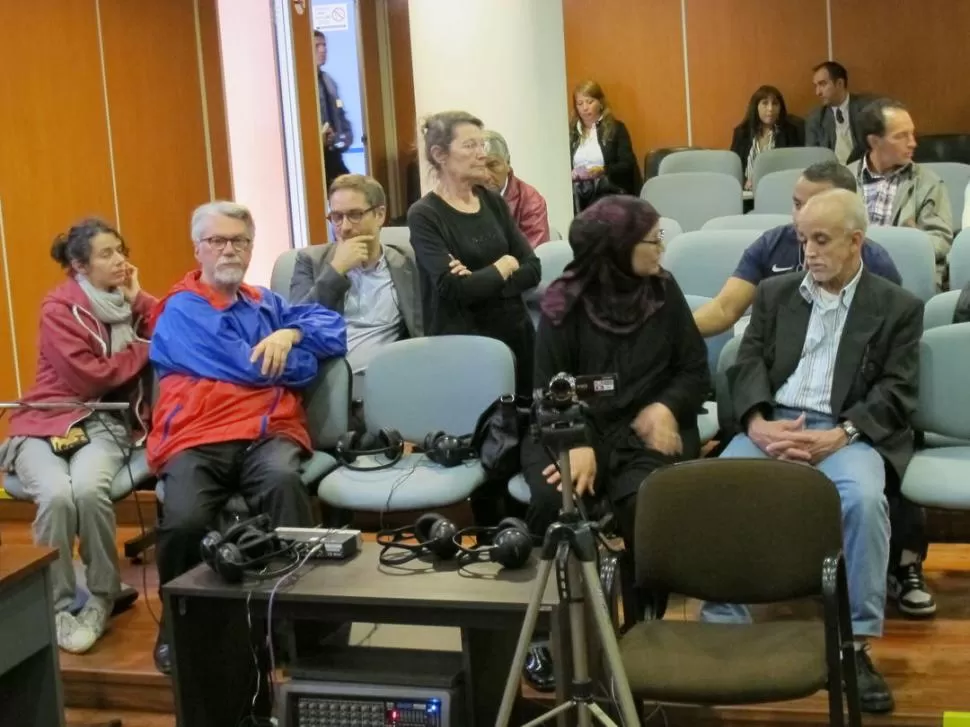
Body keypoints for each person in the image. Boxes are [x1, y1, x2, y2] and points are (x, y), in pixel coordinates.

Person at [704, 189, 923, 714]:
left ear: (856, 242)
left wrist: (841, 435)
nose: (810, 253)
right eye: (804, 240)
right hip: (773, 423)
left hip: (845, 434)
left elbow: (896, 390)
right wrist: (756, 423)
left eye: (822, 241)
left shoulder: (896, 306)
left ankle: (854, 646)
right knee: (714, 493)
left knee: (864, 501)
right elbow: (747, 361)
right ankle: (725, 633)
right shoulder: (776, 293)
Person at [519, 195, 710, 692]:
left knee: (648, 501)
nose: (661, 249)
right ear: (616, 248)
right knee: (552, 501)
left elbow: (694, 370)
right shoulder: (561, 302)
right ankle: (557, 632)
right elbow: (547, 390)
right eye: (651, 240)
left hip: (650, 425)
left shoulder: (663, 293)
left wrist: (666, 407)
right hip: (571, 426)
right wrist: (577, 440)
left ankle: (642, 621)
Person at [149, 201, 347, 674]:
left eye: (239, 241)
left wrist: (290, 337)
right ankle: (178, 631)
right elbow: (249, 364)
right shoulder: (179, 310)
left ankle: (301, 627)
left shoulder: (264, 301)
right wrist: (290, 364)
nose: (229, 250)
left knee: (284, 488)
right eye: (218, 241)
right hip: (198, 435)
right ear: (198, 248)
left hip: (266, 433)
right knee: (184, 520)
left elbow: (334, 331)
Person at [0, 219, 153, 654]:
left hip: (102, 422)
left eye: (121, 250)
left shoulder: (128, 303)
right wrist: (142, 348)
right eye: (107, 254)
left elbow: (167, 322)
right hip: (44, 420)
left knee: (88, 491)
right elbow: (89, 379)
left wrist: (138, 295)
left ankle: (101, 596)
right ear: (78, 266)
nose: (120, 260)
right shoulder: (58, 307)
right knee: (56, 496)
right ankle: (57, 605)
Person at [407, 110, 540, 396]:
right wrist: (504, 265)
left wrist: (479, 282)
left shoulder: (492, 201)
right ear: (440, 154)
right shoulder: (425, 215)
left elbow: (533, 268)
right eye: (470, 146)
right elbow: (453, 287)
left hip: (516, 336)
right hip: (464, 345)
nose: (482, 153)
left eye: (482, 145)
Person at [694, 161, 902, 339]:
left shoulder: (877, 264)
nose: (800, 216)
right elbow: (724, 309)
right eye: (797, 204)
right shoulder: (771, 244)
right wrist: (673, 332)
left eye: (814, 205)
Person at [290, 174, 422, 376]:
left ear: (380, 215)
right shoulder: (310, 261)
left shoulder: (407, 262)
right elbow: (295, 323)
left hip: (390, 378)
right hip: (330, 382)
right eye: (337, 217)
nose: (344, 227)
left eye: (355, 215)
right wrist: (336, 271)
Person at [846, 98, 953, 286]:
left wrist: (913, 241)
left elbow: (941, 241)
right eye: (901, 136)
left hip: (904, 274)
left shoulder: (928, 183)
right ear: (874, 141)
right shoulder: (843, 179)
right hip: (850, 273)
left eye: (912, 134)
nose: (913, 143)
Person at [569, 80, 639, 210]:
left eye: (590, 102)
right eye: (580, 103)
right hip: (576, 195)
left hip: (608, 193)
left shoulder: (616, 128)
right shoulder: (571, 133)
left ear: (600, 103)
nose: (585, 108)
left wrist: (603, 170)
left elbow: (627, 164)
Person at [481, 129, 551, 247]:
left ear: (507, 163)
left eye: (493, 165)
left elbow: (533, 257)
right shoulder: (465, 196)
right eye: (479, 167)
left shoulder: (530, 200)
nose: (486, 176)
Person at [730, 85, 804, 191]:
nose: (770, 109)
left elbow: (794, 168)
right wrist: (744, 182)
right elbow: (734, 167)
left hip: (778, 190)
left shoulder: (790, 132)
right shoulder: (742, 133)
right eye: (765, 103)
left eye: (775, 104)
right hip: (746, 193)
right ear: (756, 107)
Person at [804, 61, 872, 164]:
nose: (818, 92)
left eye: (822, 84)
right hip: (832, 174)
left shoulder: (867, 108)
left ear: (840, 83)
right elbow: (813, 157)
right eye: (816, 86)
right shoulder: (815, 118)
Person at [313, 30, 353, 181]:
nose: (323, 50)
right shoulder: (301, 84)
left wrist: (347, 133)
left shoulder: (328, 81)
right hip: (315, 155)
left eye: (324, 45)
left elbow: (339, 110)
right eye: (317, 46)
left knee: (349, 186)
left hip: (332, 152)